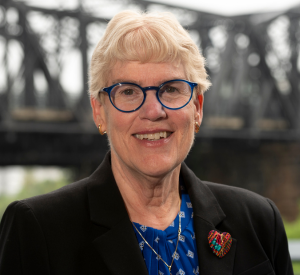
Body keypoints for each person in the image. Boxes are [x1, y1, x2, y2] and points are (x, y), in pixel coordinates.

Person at [0, 10, 293, 275]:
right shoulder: (37, 228)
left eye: (171, 89)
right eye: (128, 92)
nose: (154, 112)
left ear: (198, 108)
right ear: (99, 111)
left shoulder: (258, 219)